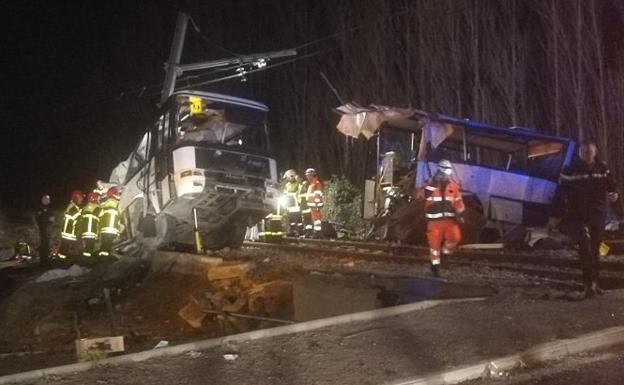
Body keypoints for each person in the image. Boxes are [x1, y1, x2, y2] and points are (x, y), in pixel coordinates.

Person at [549, 142, 619, 298]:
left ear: (595, 152)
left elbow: (611, 186)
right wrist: (555, 215)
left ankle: (595, 283)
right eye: (583, 152)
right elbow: (560, 193)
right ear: (579, 153)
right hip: (577, 215)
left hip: (597, 213)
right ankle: (588, 284)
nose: (586, 154)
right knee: (584, 248)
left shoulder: (603, 168)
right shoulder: (570, 169)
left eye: (589, 151)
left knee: (596, 249)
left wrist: (614, 194)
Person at [420, 159, 465, 277]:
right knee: (434, 246)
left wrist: (460, 214)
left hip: (450, 220)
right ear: (439, 172)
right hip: (434, 222)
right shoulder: (431, 184)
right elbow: (422, 195)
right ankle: (435, 267)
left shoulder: (453, 186)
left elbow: (458, 201)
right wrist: (433, 184)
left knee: (455, 237)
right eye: (445, 173)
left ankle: (445, 255)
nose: (447, 176)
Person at [59, 190, 83, 259]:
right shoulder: (73, 208)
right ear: (76, 198)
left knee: (65, 246)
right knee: (65, 247)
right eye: (80, 198)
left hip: (68, 230)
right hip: (69, 231)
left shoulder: (72, 206)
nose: (81, 200)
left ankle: (61, 260)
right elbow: (79, 218)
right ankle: (61, 262)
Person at [99, 187, 121, 256]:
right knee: (108, 246)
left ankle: (100, 259)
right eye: (117, 193)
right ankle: (105, 261)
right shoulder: (117, 203)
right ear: (114, 194)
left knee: (103, 246)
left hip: (104, 229)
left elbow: (100, 215)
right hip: (112, 229)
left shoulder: (104, 203)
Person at [80, 192, 101, 257]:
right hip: (91, 231)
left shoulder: (84, 207)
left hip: (85, 231)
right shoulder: (97, 207)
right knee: (89, 248)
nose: (98, 200)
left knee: (87, 247)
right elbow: (103, 217)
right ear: (94, 199)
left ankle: (85, 260)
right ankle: (86, 262)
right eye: (97, 198)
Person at [35, 194, 55, 265]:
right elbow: (39, 218)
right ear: (42, 200)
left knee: (47, 244)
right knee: (43, 244)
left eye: (48, 199)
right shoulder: (39, 208)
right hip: (42, 229)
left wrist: (51, 220)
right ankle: (43, 260)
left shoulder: (49, 208)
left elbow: (52, 218)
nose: (47, 200)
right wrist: (47, 219)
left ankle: (46, 258)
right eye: (45, 199)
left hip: (48, 228)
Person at [304, 168, 324, 237]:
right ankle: (316, 232)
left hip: (315, 206)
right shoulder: (312, 184)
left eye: (308, 175)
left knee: (316, 219)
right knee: (314, 219)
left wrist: (316, 205)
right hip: (312, 205)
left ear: (312, 175)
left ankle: (317, 232)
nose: (307, 177)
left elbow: (318, 195)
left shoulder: (316, 183)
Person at [282, 169, 303, 236]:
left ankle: (300, 232)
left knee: (298, 219)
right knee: (291, 219)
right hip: (290, 204)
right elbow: (285, 193)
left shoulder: (298, 184)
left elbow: (298, 192)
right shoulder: (287, 185)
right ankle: (292, 231)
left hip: (296, 204)